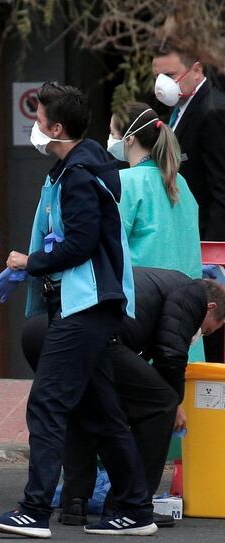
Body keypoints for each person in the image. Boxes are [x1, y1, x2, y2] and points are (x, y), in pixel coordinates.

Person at [0, 82, 156, 538]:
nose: (35, 128)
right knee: (101, 411)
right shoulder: (80, 166)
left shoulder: (79, 174)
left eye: (38, 121)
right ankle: (137, 509)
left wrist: (28, 262)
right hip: (90, 305)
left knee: (47, 402)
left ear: (57, 128)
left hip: (85, 305)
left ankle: (33, 509)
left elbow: (79, 244)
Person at [19, 268, 225, 528]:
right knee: (160, 405)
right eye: (206, 331)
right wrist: (174, 401)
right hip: (94, 338)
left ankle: (75, 502)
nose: (200, 335)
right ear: (210, 307)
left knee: (85, 409)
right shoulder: (192, 293)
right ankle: (130, 505)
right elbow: (170, 354)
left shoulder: (155, 284)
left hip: (44, 331)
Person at [108, 100, 203, 363]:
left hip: (144, 320)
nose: (110, 140)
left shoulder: (125, 184)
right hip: (186, 321)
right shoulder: (180, 183)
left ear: (129, 139)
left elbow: (110, 252)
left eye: (113, 133)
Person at [152, 41, 225, 363]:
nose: (163, 84)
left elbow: (220, 188)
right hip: (186, 238)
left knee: (208, 331)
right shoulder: (181, 107)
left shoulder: (212, 111)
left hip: (204, 245)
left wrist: (212, 253)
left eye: (170, 74)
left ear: (196, 69)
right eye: (158, 76)